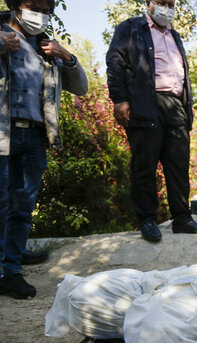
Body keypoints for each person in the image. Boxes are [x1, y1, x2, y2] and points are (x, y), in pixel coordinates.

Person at [0, 0, 88, 299]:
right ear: (15, 5)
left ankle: (11, 268)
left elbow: (81, 87)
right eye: (32, 5)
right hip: (3, 131)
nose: (40, 13)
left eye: (46, 8)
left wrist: (68, 56)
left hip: (35, 137)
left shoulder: (46, 46)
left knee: (22, 207)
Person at [106, 0, 197, 244]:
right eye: (161, 2)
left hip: (176, 106)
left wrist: (187, 107)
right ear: (149, 3)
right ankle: (147, 220)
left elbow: (182, 75)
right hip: (145, 102)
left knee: (178, 164)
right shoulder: (131, 28)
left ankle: (182, 218)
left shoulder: (175, 35)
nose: (166, 7)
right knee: (145, 163)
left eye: (170, 3)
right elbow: (115, 62)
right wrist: (120, 99)